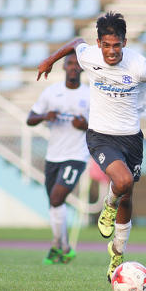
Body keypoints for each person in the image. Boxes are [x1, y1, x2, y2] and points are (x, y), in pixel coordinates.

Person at [36, 12, 146, 281]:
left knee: (128, 195)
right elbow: (75, 42)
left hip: (131, 139)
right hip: (100, 136)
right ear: (99, 44)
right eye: (106, 45)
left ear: (124, 42)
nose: (111, 51)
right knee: (122, 182)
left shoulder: (140, 66)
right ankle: (108, 206)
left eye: (117, 45)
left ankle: (117, 253)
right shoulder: (89, 57)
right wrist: (50, 60)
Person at [27, 53, 89, 265]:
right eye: (69, 63)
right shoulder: (51, 93)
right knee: (54, 204)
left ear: (82, 69)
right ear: (63, 67)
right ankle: (63, 249)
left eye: (77, 64)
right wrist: (45, 116)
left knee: (56, 198)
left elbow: (100, 128)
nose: (73, 67)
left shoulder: (89, 95)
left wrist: (86, 126)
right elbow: (30, 119)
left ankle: (56, 246)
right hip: (53, 156)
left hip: (76, 156)